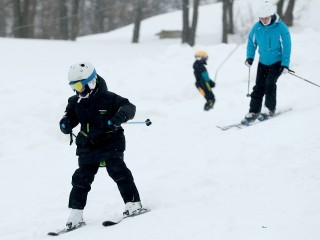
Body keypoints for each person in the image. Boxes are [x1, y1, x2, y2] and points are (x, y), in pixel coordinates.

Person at [59, 62, 146, 230]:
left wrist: (119, 117)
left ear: (91, 82)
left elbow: (129, 107)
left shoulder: (109, 98)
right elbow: (68, 117)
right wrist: (65, 124)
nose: (77, 90)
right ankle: (75, 214)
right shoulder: (75, 101)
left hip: (110, 141)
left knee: (117, 170)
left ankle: (133, 203)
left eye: (78, 85)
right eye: (73, 86)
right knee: (81, 178)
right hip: (87, 144)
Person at [241, 0, 291, 124]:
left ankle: (269, 109)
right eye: (261, 18)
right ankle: (253, 111)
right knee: (259, 87)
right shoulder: (257, 27)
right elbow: (251, 43)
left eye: (266, 18)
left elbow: (287, 46)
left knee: (269, 84)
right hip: (263, 62)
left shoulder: (281, 27)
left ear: (272, 15)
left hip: (277, 63)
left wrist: (285, 64)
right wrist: (250, 57)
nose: (263, 21)